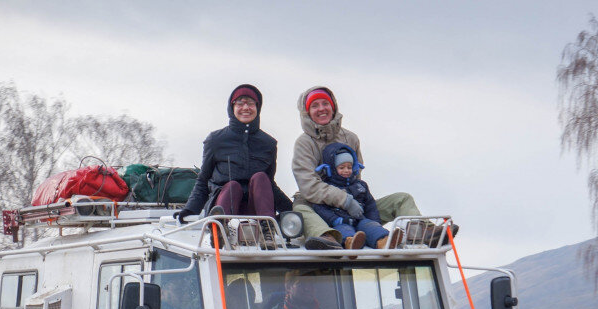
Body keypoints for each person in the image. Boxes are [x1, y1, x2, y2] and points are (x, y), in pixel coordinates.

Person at [290, 86, 457, 249]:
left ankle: (424, 233)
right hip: (320, 208)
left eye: (325, 104)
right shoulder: (304, 144)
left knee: (402, 199)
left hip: (354, 205)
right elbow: (309, 187)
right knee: (300, 209)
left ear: (333, 106)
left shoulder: (350, 138)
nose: (321, 109)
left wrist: (359, 205)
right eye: (315, 105)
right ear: (307, 112)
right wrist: (345, 201)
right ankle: (328, 237)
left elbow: (355, 177)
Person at [176, 84, 291, 221]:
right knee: (233, 186)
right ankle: (220, 229)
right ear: (232, 107)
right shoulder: (215, 140)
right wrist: (190, 209)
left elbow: (269, 185)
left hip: (255, 210)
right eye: (240, 103)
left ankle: (267, 229)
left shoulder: (268, 144)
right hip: (223, 204)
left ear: (257, 107)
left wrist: (292, 210)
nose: (246, 108)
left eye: (250, 103)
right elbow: (203, 180)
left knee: (261, 177)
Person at [310, 143, 392, 249]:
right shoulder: (327, 187)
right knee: (344, 231)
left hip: (360, 219)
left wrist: (375, 222)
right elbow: (320, 207)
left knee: (371, 227)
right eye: (341, 167)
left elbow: (370, 206)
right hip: (341, 221)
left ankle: (384, 241)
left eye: (349, 167)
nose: (346, 170)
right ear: (332, 169)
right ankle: (351, 242)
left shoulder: (360, 185)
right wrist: (335, 220)